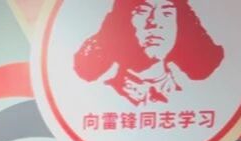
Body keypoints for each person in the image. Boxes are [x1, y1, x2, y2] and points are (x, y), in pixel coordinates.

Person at [74, 0, 224, 106]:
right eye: (142, 12)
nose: (154, 22)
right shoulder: (101, 95)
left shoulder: (195, 96)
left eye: (167, 13)